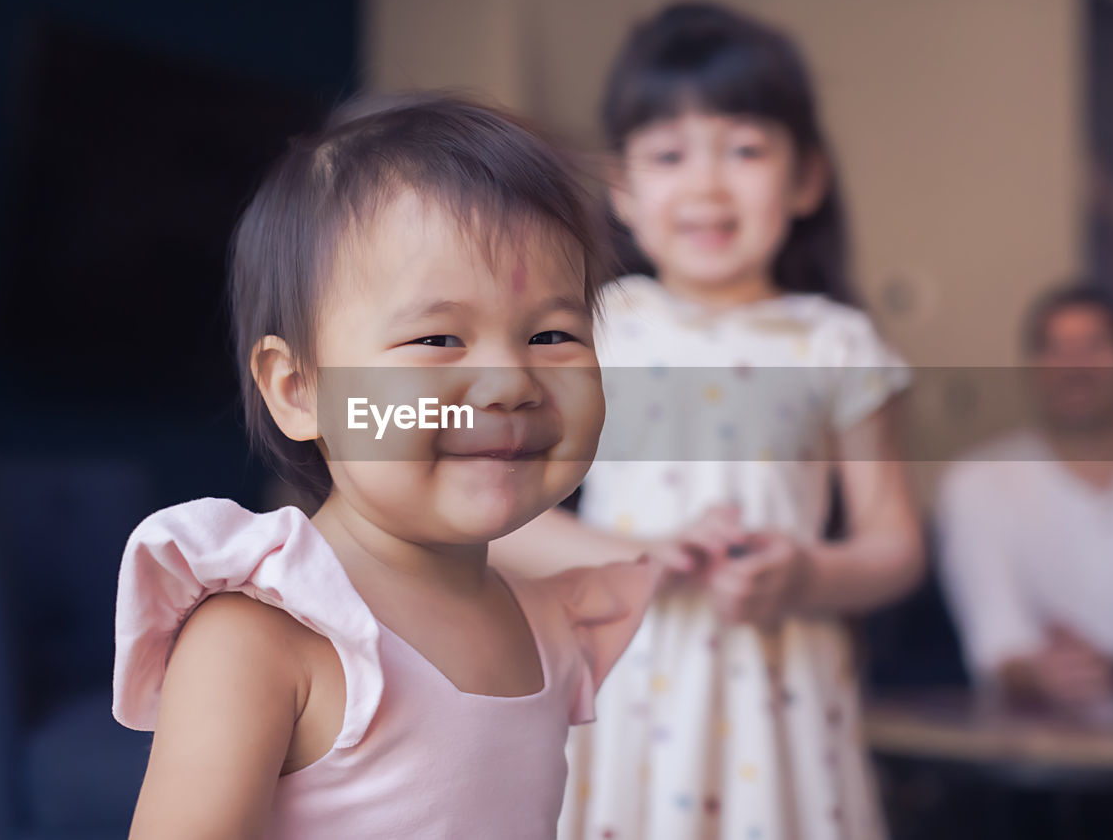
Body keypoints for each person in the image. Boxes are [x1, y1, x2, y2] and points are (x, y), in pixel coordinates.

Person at [111, 95, 695, 838]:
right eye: (438, 339)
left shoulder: (549, 624)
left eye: (552, 334)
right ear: (299, 390)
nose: (512, 383)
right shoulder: (264, 636)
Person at [492, 2, 923, 839]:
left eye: (746, 148)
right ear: (623, 188)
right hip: (622, 683)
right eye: (668, 153)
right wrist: (641, 552)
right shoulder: (595, 325)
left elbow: (895, 545)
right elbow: (505, 519)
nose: (706, 183)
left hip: (781, 694)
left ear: (806, 178)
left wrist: (807, 575)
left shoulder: (838, 343)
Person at [937, 285, 1113, 712]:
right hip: (1035, 754)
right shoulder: (977, 483)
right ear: (1032, 367)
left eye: (1094, 346)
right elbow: (998, 647)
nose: (1075, 367)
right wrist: (1048, 671)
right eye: (1056, 349)